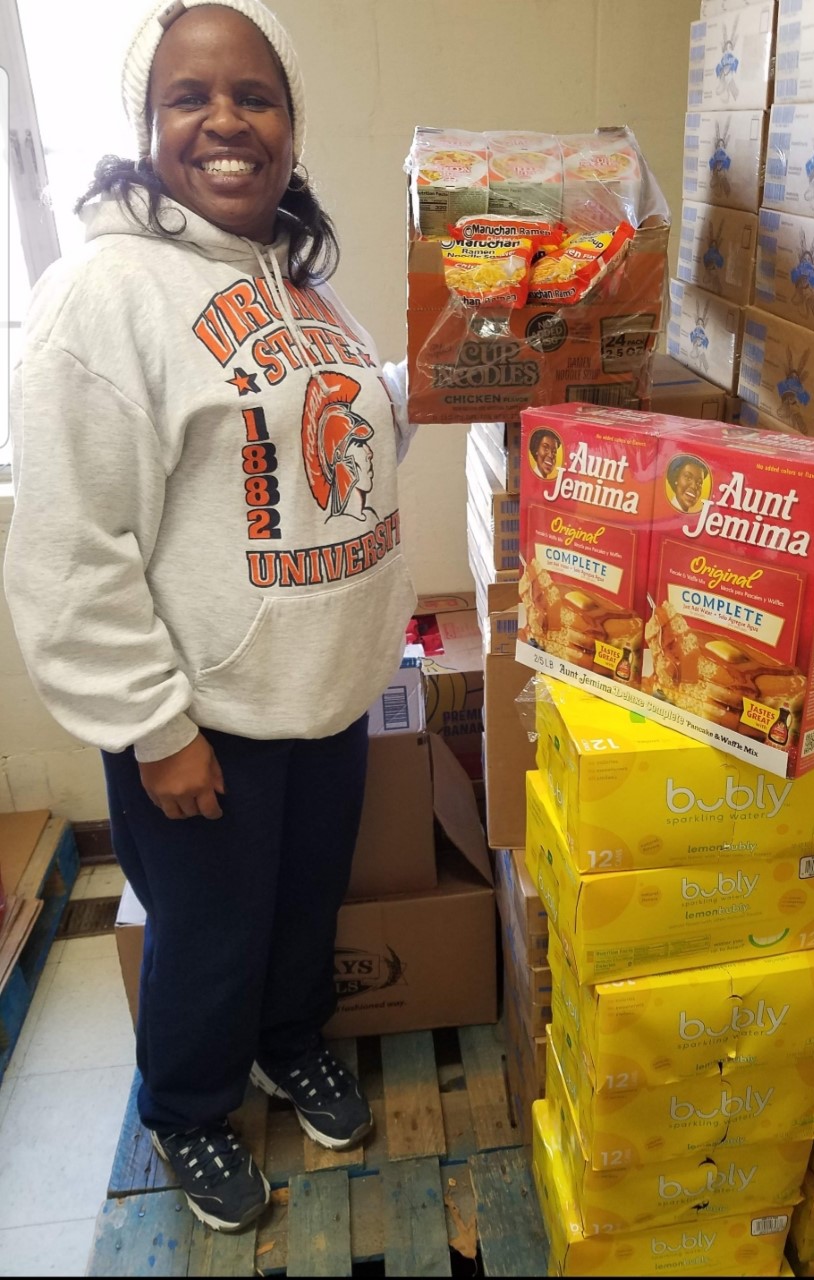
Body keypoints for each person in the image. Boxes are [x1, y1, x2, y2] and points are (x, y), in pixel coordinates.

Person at [3, 0, 417, 1235]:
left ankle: (290, 1040)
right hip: (204, 711)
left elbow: (322, 435)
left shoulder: (296, 277)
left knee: (302, 903)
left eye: (256, 96)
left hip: (325, 685)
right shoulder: (103, 297)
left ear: (292, 123)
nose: (227, 120)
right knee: (207, 932)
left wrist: (431, 381)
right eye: (191, 97)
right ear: (147, 124)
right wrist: (154, 725)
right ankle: (186, 1103)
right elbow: (73, 549)